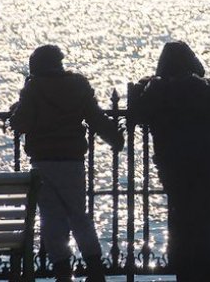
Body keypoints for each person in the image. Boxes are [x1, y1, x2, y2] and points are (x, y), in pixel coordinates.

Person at [10, 44, 124, 282]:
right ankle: (94, 267)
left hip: (43, 162)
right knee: (78, 215)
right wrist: (115, 138)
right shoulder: (78, 85)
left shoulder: (34, 88)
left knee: (51, 217)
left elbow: (20, 123)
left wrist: (17, 109)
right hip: (72, 160)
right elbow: (95, 117)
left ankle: (62, 270)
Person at [132, 41, 210, 282]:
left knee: (181, 219)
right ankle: (208, 270)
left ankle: (184, 271)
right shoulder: (208, 88)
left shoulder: (156, 90)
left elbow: (138, 114)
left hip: (174, 165)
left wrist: (145, 84)